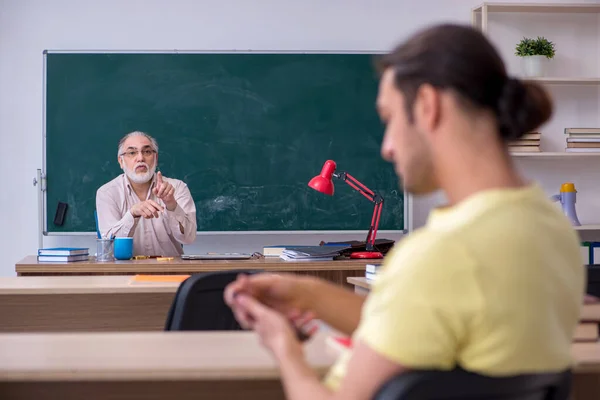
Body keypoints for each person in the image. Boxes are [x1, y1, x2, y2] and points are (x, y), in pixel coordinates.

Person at [224, 24, 585, 400]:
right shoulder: (550, 228)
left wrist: (283, 346)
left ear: (428, 106)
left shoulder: (441, 255)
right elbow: (421, 323)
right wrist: (307, 293)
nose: (387, 147)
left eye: (390, 119)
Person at [96, 131, 197, 256]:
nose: (140, 158)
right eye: (132, 153)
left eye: (147, 152)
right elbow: (108, 248)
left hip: (171, 270)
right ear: (121, 161)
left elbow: (188, 239)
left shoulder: (176, 188)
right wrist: (132, 215)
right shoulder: (107, 193)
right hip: (125, 272)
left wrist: (172, 205)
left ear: (156, 158)